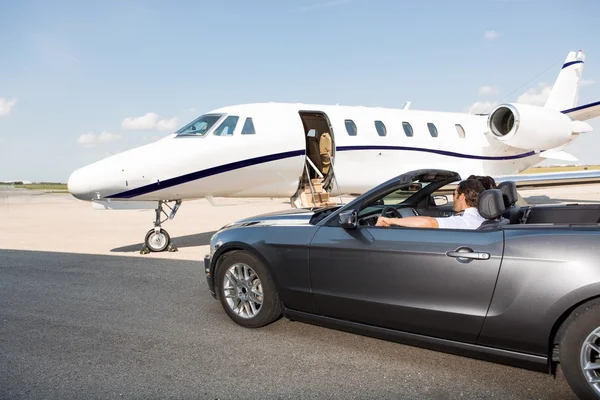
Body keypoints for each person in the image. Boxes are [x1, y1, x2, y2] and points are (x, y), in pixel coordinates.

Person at [376, 179, 486, 229]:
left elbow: (429, 222)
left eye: (454, 193)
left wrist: (390, 220)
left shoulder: (463, 221)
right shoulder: (481, 217)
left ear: (462, 197)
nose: (453, 197)